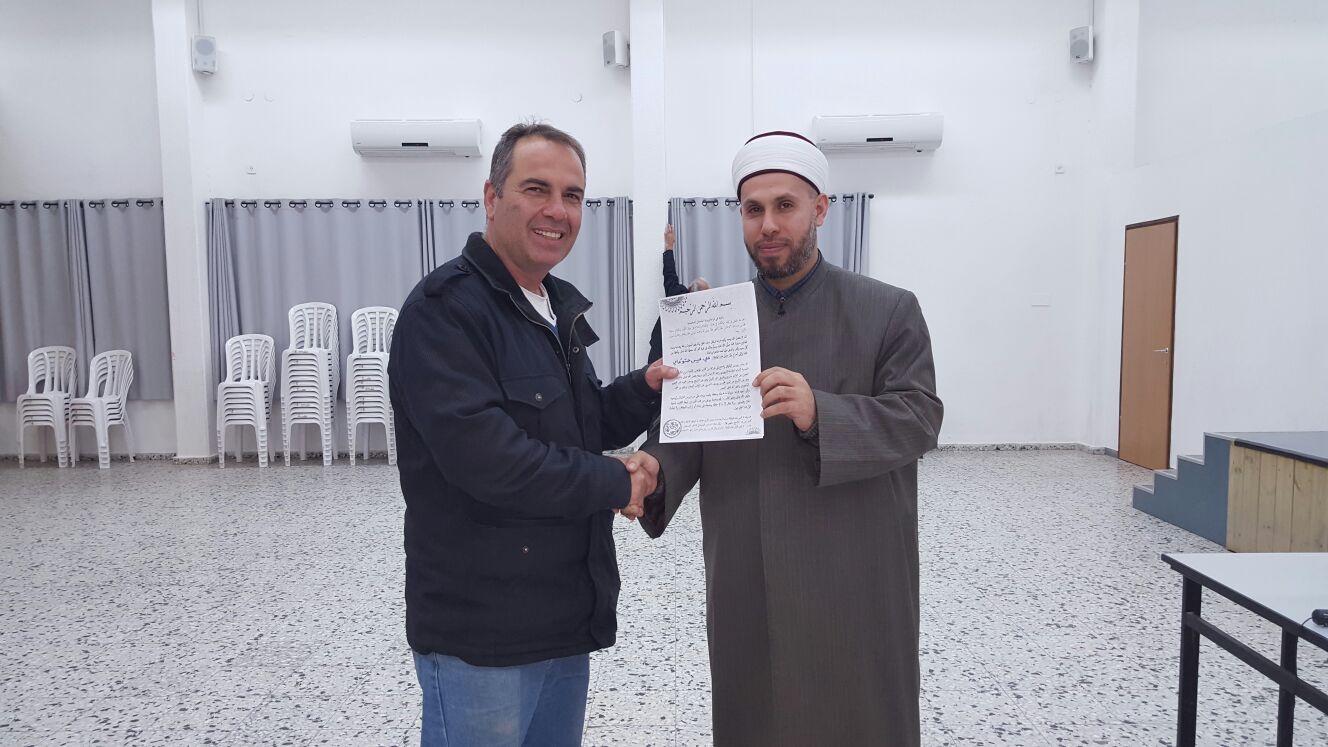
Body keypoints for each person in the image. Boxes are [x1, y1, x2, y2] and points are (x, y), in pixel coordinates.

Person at [624, 130, 944, 746]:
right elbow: (689, 424)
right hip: (745, 560)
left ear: (820, 209)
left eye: (785, 206)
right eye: (753, 209)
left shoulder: (887, 310)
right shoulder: (714, 318)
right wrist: (654, 467)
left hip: (853, 561)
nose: (768, 224)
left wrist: (821, 412)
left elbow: (918, 416)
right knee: (754, 705)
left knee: (859, 712)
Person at [389, 122, 674, 747]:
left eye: (572, 195)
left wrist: (646, 388)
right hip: (482, 631)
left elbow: (579, 424)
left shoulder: (550, 305)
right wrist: (618, 480)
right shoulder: (444, 311)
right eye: (536, 189)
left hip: (561, 613)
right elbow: (492, 461)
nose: (557, 211)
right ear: (492, 198)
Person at [646, 224, 710, 364]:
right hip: (663, 354)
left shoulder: (678, 296)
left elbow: (669, 273)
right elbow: (669, 273)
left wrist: (669, 246)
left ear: (689, 289)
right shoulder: (680, 298)